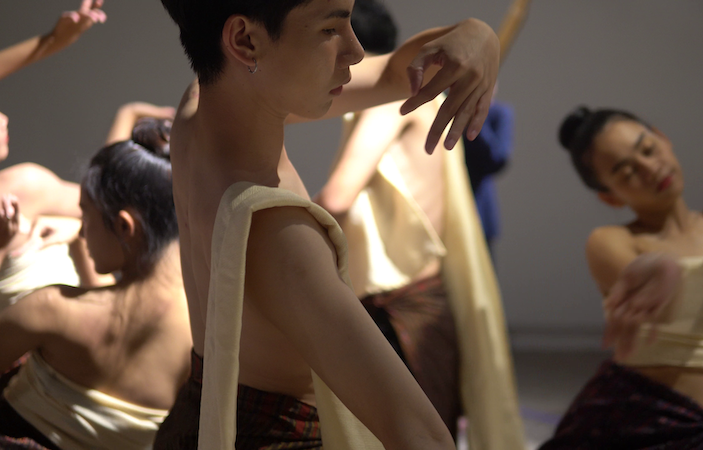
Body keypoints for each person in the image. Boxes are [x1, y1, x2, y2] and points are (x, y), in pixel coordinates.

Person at [155, 0, 500, 448]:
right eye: (330, 29)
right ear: (245, 40)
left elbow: (399, 74)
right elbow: (422, 437)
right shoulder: (278, 235)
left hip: (192, 417)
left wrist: (477, 33)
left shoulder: (199, 106)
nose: (356, 50)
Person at [313, 1, 524, 447]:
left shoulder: (387, 103)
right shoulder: (425, 100)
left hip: (398, 305)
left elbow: (337, 197)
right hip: (428, 297)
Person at [539, 106, 703, 449]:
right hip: (629, 423)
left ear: (662, 138)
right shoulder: (612, 241)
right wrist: (658, 270)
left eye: (647, 149)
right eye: (626, 172)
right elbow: (640, 284)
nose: (650, 169)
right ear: (609, 196)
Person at [0, 132, 193, 450]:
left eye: (85, 215)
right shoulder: (207, 339)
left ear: (123, 227)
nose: (79, 229)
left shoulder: (53, 308)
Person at [0, 0, 109, 322]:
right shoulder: (15, 189)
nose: (4, 119)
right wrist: (74, 229)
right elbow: (112, 204)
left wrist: (53, 40)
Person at [463, 99, 513, 255]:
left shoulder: (499, 113)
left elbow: (497, 160)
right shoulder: (439, 109)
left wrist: (474, 119)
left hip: (480, 213)